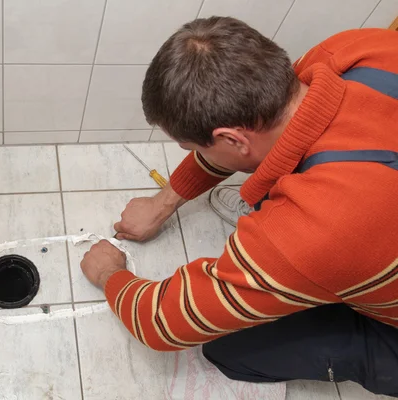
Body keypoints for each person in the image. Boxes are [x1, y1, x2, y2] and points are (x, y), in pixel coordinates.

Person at [80, 16, 398, 396]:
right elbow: (261, 130)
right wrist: (163, 203)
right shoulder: (359, 49)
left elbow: (160, 323)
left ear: (232, 139)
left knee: (227, 349)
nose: (196, 155)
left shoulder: (311, 230)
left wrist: (108, 274)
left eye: (196, 147)